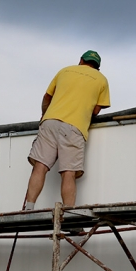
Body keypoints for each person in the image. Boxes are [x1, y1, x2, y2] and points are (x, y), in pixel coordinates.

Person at [24, 50, 110, 210]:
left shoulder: (64, 71)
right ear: (97, 67)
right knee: (68, 172)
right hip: (75, 126)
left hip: (49, 121)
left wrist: (44, 115)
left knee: (40, 166)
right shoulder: (102, 80)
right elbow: (96, 111)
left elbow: (47, 97)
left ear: (81, 60)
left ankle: (29, 207)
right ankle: (69, 212)